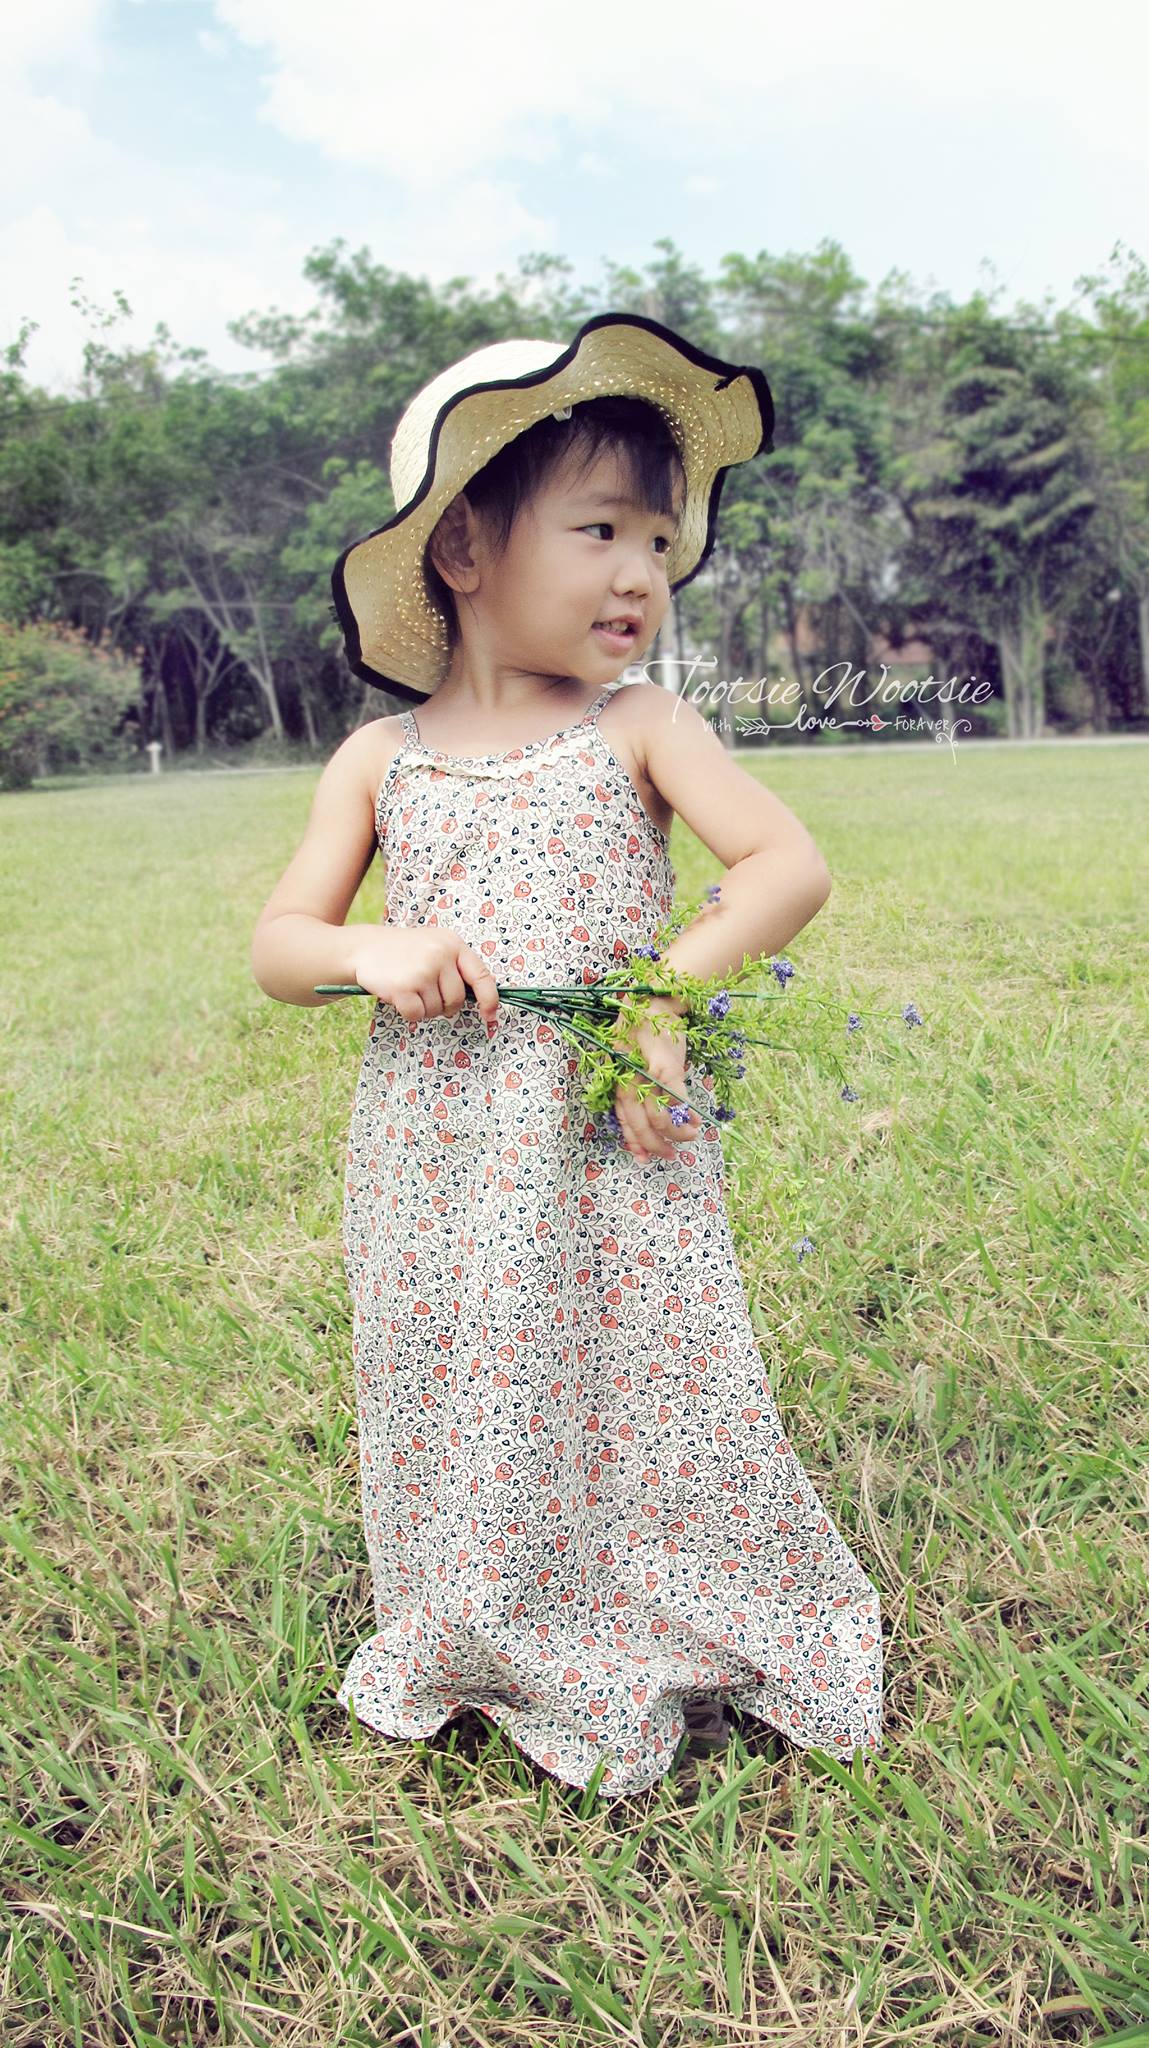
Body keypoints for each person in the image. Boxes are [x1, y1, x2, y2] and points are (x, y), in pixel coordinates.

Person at [251, 312, 884, 1800]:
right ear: (463, 548)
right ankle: (490, 1599)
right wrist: (368, 949)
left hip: (607, 1122)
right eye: (601, 530)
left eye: (659, 543)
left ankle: (672, 1582)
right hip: (438, 1141)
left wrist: (661, 994)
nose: (642, 573)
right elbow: (279, 946)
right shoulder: (379, 760)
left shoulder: (639, 723)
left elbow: (784, 867)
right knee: (470, 1363)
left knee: (645, 1357)